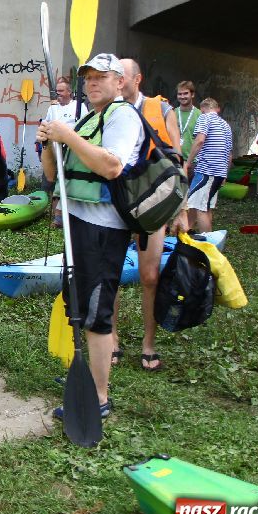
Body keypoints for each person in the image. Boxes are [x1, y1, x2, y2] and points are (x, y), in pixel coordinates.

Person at [37, 53, 145, 420]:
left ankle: (99, 397)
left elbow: (111, 166)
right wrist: (48, 144)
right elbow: (52, 175)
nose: (93, 83)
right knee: (78, 304)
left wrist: (66, 135)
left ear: (119, 82)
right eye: (89, 78)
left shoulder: (123, 116)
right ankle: (83, 375)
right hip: (77, 223)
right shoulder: (86, 119)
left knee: (98, 311)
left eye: (101, 77)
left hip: (105, 229)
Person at [111, 58, 188, 373]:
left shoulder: (162, 109)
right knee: (112, 274)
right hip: (116, 203)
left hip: (151, 204)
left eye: (122, 76)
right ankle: (112, 339)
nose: (117, 81)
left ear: (137, 79)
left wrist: (181, 210)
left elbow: (176, 161)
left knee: (150, 276)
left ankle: (148, 343)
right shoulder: (109, 110)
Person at [185, 98, 233, 233]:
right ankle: (186, 231)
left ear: (203, 109)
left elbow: (200, 141)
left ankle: (208, 241)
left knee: (200, 208)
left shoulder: (204, 118)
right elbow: (229, 154)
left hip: (206, 170)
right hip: (219, 172)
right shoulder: (226, 125)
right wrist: (224, 174)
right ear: (216, 108)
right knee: (204, 206)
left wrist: (188, 162)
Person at [41, 75, 77, 226]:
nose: (58, 94)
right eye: (57, 91)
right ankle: (57, 217)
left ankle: (68, 215)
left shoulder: (78, 106)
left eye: (61, 91)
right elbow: (46, 125)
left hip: (70, 149)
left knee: (68, 181)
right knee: (51, 181)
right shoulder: (52, 108)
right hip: (54, 148)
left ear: (69, 92)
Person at [175, 81, 201, 163]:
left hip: (194, 163)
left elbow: (201, 141)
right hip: (175, 161)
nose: (182, 97)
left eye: (185, 93)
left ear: (192, 95)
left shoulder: (200, 115)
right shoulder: (172, 113)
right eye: (179, 94)